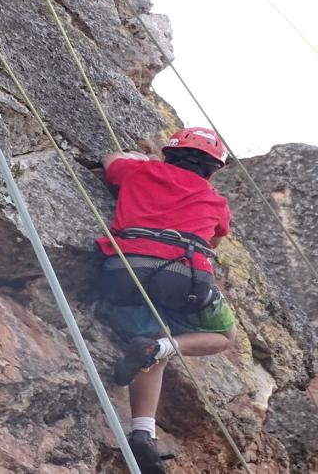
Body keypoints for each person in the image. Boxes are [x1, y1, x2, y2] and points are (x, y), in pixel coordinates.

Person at [94, 127, 237, 474]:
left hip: (126, 270)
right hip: (184, 278)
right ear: (213, 169)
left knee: (151, 339)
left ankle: (144, 432)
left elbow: (110, 161)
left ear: (169, 152)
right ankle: (165, 352)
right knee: (224, 334)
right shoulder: (214, 199)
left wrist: (146, 160)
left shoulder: (141, 171)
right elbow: (216, 238)